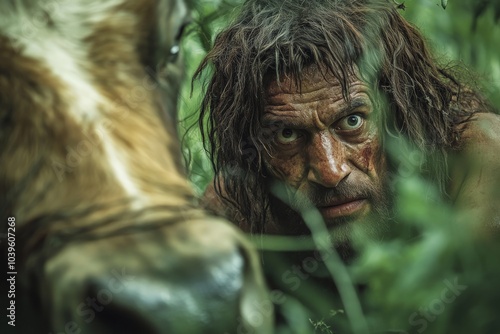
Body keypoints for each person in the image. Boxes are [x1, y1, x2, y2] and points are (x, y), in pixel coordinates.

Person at [195, 0, 500, 244]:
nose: (330, 171)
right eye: (287, 134)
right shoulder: (241, 213)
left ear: (400, 110)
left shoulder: (478, 162)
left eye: (352, 121)